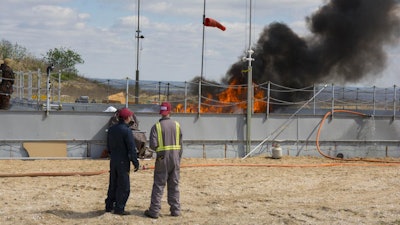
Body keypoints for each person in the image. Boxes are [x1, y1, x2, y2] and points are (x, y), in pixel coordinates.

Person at [144, 102, 183, 219]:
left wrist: (160, 150)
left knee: (159, 185)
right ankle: (175, 210)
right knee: (174, 185)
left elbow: (152, 145)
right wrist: (178, 158)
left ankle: (154, 211)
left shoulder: (156, 127)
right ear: (170, 111)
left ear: (161, 112)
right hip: (175, 159)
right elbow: (181, 145)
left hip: (162, 159)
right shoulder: (177, 125)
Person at [105, 107, 140, 215]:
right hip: (123, 161)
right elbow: (131, 148)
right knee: (124, 186)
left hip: (113, 160)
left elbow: (108, 146)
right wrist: (135, 162)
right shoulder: (127, 131)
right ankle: (119, 208)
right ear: (127, 118)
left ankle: (109, 206)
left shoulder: (111, 129)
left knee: (113, 184)